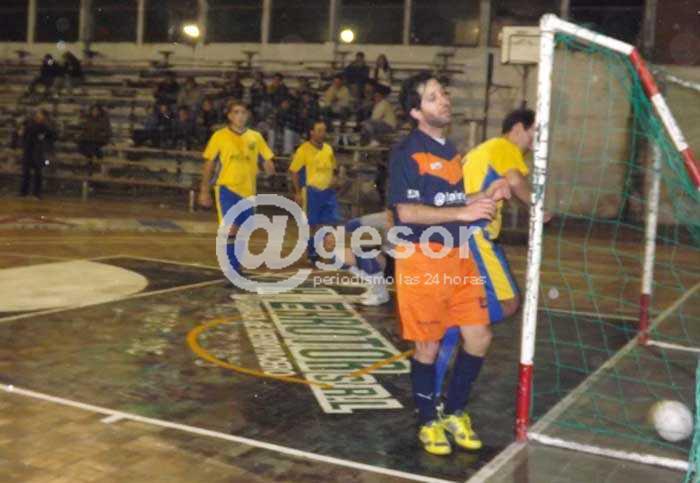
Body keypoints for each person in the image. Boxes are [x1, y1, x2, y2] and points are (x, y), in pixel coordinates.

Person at [389, 72, 510, 456]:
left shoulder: (451, 150)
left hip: (459, 257)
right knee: (427, 346)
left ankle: (455, 411)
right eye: (432, 97)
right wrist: (463, 212)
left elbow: (449, 202)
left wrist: (484, 194)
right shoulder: (407, 152)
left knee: (479, 337)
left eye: (442, 93)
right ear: (415, 112)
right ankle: (428, 421)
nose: (443, 100)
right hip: (422, 259)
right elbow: (407, 212)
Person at [462, 108, 551, 322]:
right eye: (535, 131)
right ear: (518, 128)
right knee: (508, 302)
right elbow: (515, 181)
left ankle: (454, 328)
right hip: (475, 232)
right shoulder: (503, 147)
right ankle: (450, 324)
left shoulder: (489, 149)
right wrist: (538, 208)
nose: (538, 138)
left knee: (473, 298)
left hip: (464, 230)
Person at [198, 100, 275, 275]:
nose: (240, 116)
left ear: (247, 115)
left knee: (244, 230)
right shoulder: (219, 136)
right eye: (236, 112)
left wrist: (268, 166)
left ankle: (237, 264)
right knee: (231, 228)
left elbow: (267, 159)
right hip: (227, 188)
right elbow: (209, 164)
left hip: (248, 191)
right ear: (230, 116)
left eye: (243, 112)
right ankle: (231, 268)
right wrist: (204, 190)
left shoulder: (255, 137)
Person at [289, 120, 338, 264]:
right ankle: (312, 253)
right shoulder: (303, 150)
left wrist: (335, 180)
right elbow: (294, 171)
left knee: (330, 223)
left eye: (324, 130)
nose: (322, 134)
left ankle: (327, 251)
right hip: (312, 192)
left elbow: (334, 168)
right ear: (311, 132)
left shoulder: (328, 149)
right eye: (319, 130)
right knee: (313, 224)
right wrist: (297, 192)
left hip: (328, 192)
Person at [20, 109, 55, 199]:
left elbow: (51, 136)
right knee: (26, 173)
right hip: (28, 151)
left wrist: (44, 139)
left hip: (38, 153)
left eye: (40, 115)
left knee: (38, 174)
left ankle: (36, 193)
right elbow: (24, 135)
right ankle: (24, 192)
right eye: (38, 115)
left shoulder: (45, 127)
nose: (38, 116)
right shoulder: (29, 124)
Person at [77, 104, 111, 173]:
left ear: (99, 111)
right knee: (81, 146)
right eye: (93, 110)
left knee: (92, 146)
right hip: (89, 139)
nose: (94, 112)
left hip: (99, 139)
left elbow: (108, 131)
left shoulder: (103, 119)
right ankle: (93, 163)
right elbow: (85, 129)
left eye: (96, 111)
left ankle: (93, 164)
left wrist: (102, 134)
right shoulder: (89, 119)